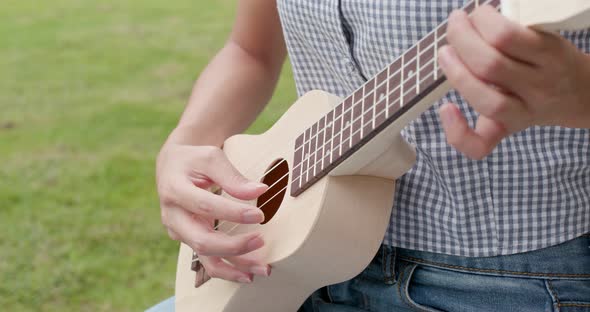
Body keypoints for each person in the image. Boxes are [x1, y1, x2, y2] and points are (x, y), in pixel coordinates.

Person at [150, 0, 590, 311]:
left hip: (512, 282)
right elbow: (250, 51)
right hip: (289, 257)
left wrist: (580, 95)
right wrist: (183, 144)